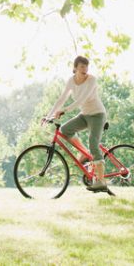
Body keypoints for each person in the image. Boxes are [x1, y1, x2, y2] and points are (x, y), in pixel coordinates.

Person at [45, 55, 109, 192]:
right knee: (64, 130)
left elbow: (81, 99)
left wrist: (64, 111)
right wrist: (48, 116)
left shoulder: (92, 80)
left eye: (86, 66)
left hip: (98, 115)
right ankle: (85, 153)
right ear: (75, 68)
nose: (85, 69)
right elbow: (62, 98)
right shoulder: (71, 81)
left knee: (93, 142)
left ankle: (101, 181)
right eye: (81, 66)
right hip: (85, 115)